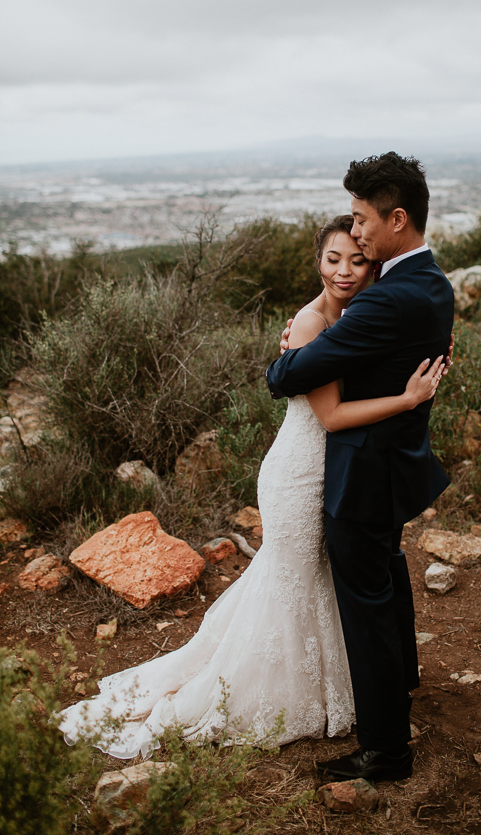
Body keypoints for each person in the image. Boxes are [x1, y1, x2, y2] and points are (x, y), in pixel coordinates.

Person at [58, 214, 446, 760]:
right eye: (333, 258)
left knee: (320, 581)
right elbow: (331, 417)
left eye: (357, 259)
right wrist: (407, 400)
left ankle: (339, 690)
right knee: (290, 582)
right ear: (317, 260)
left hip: (338, 473)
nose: (344, 270)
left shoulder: (369, 311)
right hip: (300, 473)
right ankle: (262, 692)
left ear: (374, 263)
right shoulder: (310, 326)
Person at [267, 152, 455, 783]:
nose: (358, 234)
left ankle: (384, 751)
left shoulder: (387, 302)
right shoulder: (432, 284)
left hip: (361, 475)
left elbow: (286, 377)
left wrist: (290, 344)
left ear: (396, 219)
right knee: (389, 576)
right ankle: (401, 684)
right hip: (393, 466)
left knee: (366, 602)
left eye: (362, 219)